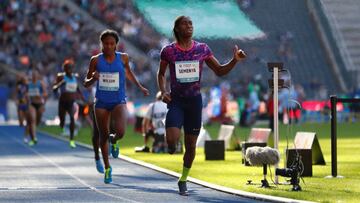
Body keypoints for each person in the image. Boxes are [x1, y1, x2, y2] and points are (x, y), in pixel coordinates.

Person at [157, 16, 246, 195]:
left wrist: (234, 59)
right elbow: (161, 74)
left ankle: (183, 179)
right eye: (184, 24)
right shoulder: (168, 51)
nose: (189, 26)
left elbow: (220, 71)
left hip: (194, 103)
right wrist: (163, 91)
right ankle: (173, 141)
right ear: (176, 29)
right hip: (176, 102)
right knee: (172, 143)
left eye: (191, 24)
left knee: (190, 147)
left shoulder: (202, 49)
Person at [84, 29, 149, 184]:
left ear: (116, 45)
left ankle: (115, 141)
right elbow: (86, 82)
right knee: (103, 135)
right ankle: (107, 168)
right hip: (101, 102)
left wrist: (140, 87)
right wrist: (93, 78)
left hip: (118, 100)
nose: (108, 46)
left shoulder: (123, 58)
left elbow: (129, 73)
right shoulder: (95, 60)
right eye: (105, 43)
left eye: (112, 43)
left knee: (120, 132)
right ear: (102, 44)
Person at [53, 59, 84, 148]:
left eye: (71, 68)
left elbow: (78, 89)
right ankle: (62, 128)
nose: (69, 69)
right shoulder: (61, 77)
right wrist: (60, 84)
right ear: (64, 69)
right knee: (62, 121)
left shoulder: (75, 78)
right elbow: (54, 88)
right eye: (67, 68)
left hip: (71, 102)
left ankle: (71, 140)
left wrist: (82, 99)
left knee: (72, 118)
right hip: (62, 102)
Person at [27, 69, 47, 146]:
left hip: (40, 104)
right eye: (33, 75)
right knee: (32, 120)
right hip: (32, 104)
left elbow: (45, 94)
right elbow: (26, 93)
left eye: (36, 75)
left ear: (38, 76)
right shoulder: (29, 84)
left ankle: (33, 133)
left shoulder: (41, 83)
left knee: (37, 122)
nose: (34, 76)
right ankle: (34, 138)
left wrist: (41, 96)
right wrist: (27, 97)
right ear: (32, 76)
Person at [15, 73, 30, 143]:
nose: (25, 79)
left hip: (27, 105)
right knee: (21, 122)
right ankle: (22, 123)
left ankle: (26, 136)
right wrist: (16, 100)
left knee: (28, 122)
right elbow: (16, 93)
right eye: (24, 78)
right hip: (20, 104)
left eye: (26, 78)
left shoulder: (29, 86)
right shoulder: (19, 85)